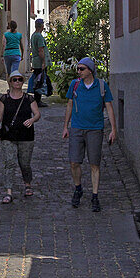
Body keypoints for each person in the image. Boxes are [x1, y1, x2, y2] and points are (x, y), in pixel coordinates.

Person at [62, 56, 116, 213]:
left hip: (95, 129)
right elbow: (69, 105)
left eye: (81, 69)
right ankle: (78, 188)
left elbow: (109, 107)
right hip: (77, 128)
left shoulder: (101, 86)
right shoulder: (75, 85)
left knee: (94, 164)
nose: (78, 71)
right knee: (74, 162)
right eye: (78, 69)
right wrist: (65, 126)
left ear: (90, 70)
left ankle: (95, 195)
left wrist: (113, 129)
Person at [0, 71, 40, 204]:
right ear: (10, 82)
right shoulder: (4, 99)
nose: (17, 82)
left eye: (20, 80)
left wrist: (32, 120)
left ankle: (27, 184)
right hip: (8, 135)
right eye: (15, 80)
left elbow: (37, 114)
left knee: (24, 164)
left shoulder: (29, 99)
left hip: (26, 136)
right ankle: (9, 192)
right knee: (9, 162)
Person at [28, 18, 49, 108]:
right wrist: (44, 62)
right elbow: (41, 50)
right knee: (39, 81)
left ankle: (37, 99)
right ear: (42, 26)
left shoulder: (34, 35)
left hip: (36, 61)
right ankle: (37, 100)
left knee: (37, 80)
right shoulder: (39, 36)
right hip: (39, 62)